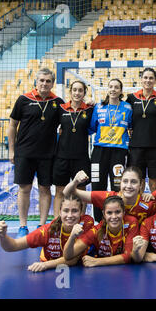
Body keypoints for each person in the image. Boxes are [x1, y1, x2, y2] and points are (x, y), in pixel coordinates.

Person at [8, 68, 65, 237]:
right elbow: (12, 125)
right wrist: (12, 150)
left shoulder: (58, 102)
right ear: (36, 81)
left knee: (45, 189)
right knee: (24, 188)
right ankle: (23, 226)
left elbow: (68, 120)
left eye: (48, 81)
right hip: (24, 153)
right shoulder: (23, 99)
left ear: (52, 83)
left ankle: (42, 226)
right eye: (41, 80)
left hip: (48, 155)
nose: (44, 84)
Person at [0, 194, 93, 272]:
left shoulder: (87, 223)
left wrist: (45, 265)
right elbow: (13, 246)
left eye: (74, 211)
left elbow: (73, 259)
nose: (70, 215)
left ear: (81, 213)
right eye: (66, 211)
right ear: (60, 212)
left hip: (74, 267)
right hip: (51, 269)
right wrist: (2, 236)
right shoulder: (46, 231)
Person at [88, 78, 133, 222]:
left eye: (116, 87)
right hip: (99, 151)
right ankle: (98, 220)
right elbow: (92, 127)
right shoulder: (99, 107)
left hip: (118, 151)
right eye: (111, 87)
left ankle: (116, 218)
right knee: (97, 185)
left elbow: (131, 126)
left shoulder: (128, 107)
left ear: (121, 91)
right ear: (108, 89)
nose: (113, 89)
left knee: (116, 185)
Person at [53, 80, 93, 217]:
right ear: (70, 92)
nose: (77, 93)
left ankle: (81, 220)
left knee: (81, 191)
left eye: (80, 90)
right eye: (74, 90)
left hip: (81, 158)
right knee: (60, 191)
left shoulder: (89, 109)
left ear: (84, 93)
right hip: (62, 157)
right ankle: (57, 222)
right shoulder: (61, 108)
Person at [63, 195, 139, 267]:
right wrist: (72, 237)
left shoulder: (131, 223)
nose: (114, 216)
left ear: (124, 212)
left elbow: (129, 256)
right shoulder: (97, 230)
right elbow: (68, 256)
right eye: (109, 213)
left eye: (117, 212)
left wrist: (98, 261)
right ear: (104, 214)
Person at [63, 167, 156, 225]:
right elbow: (67, 193)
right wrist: (75, 181)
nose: (128, 186)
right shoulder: (109, 197)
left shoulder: (148, 203)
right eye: (125, 181)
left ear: (141, 185)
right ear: (120, 183)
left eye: (133, 182)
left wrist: (152, 195)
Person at [126, 68, 156, 193]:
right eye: (145, 77)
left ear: (155, 80)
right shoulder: (131, 98)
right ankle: (138, 209)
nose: (148, 80)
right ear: (141, 79)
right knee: (138, 181)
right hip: (136, 147)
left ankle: (154, 209)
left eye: (151, 78)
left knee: (155, 183)